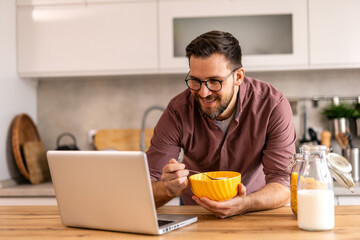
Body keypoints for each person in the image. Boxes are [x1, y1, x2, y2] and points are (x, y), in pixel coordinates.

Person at [147, 30, 296, 218]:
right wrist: (167, 188)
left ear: (238, 77)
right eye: (195, 81)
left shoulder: (272, 105)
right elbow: (145, 188)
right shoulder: (178, 110)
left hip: (254, 209)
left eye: (214, 81)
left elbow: (284, 183)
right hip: (195, 213)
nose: (203, 93)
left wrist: (246, 203)